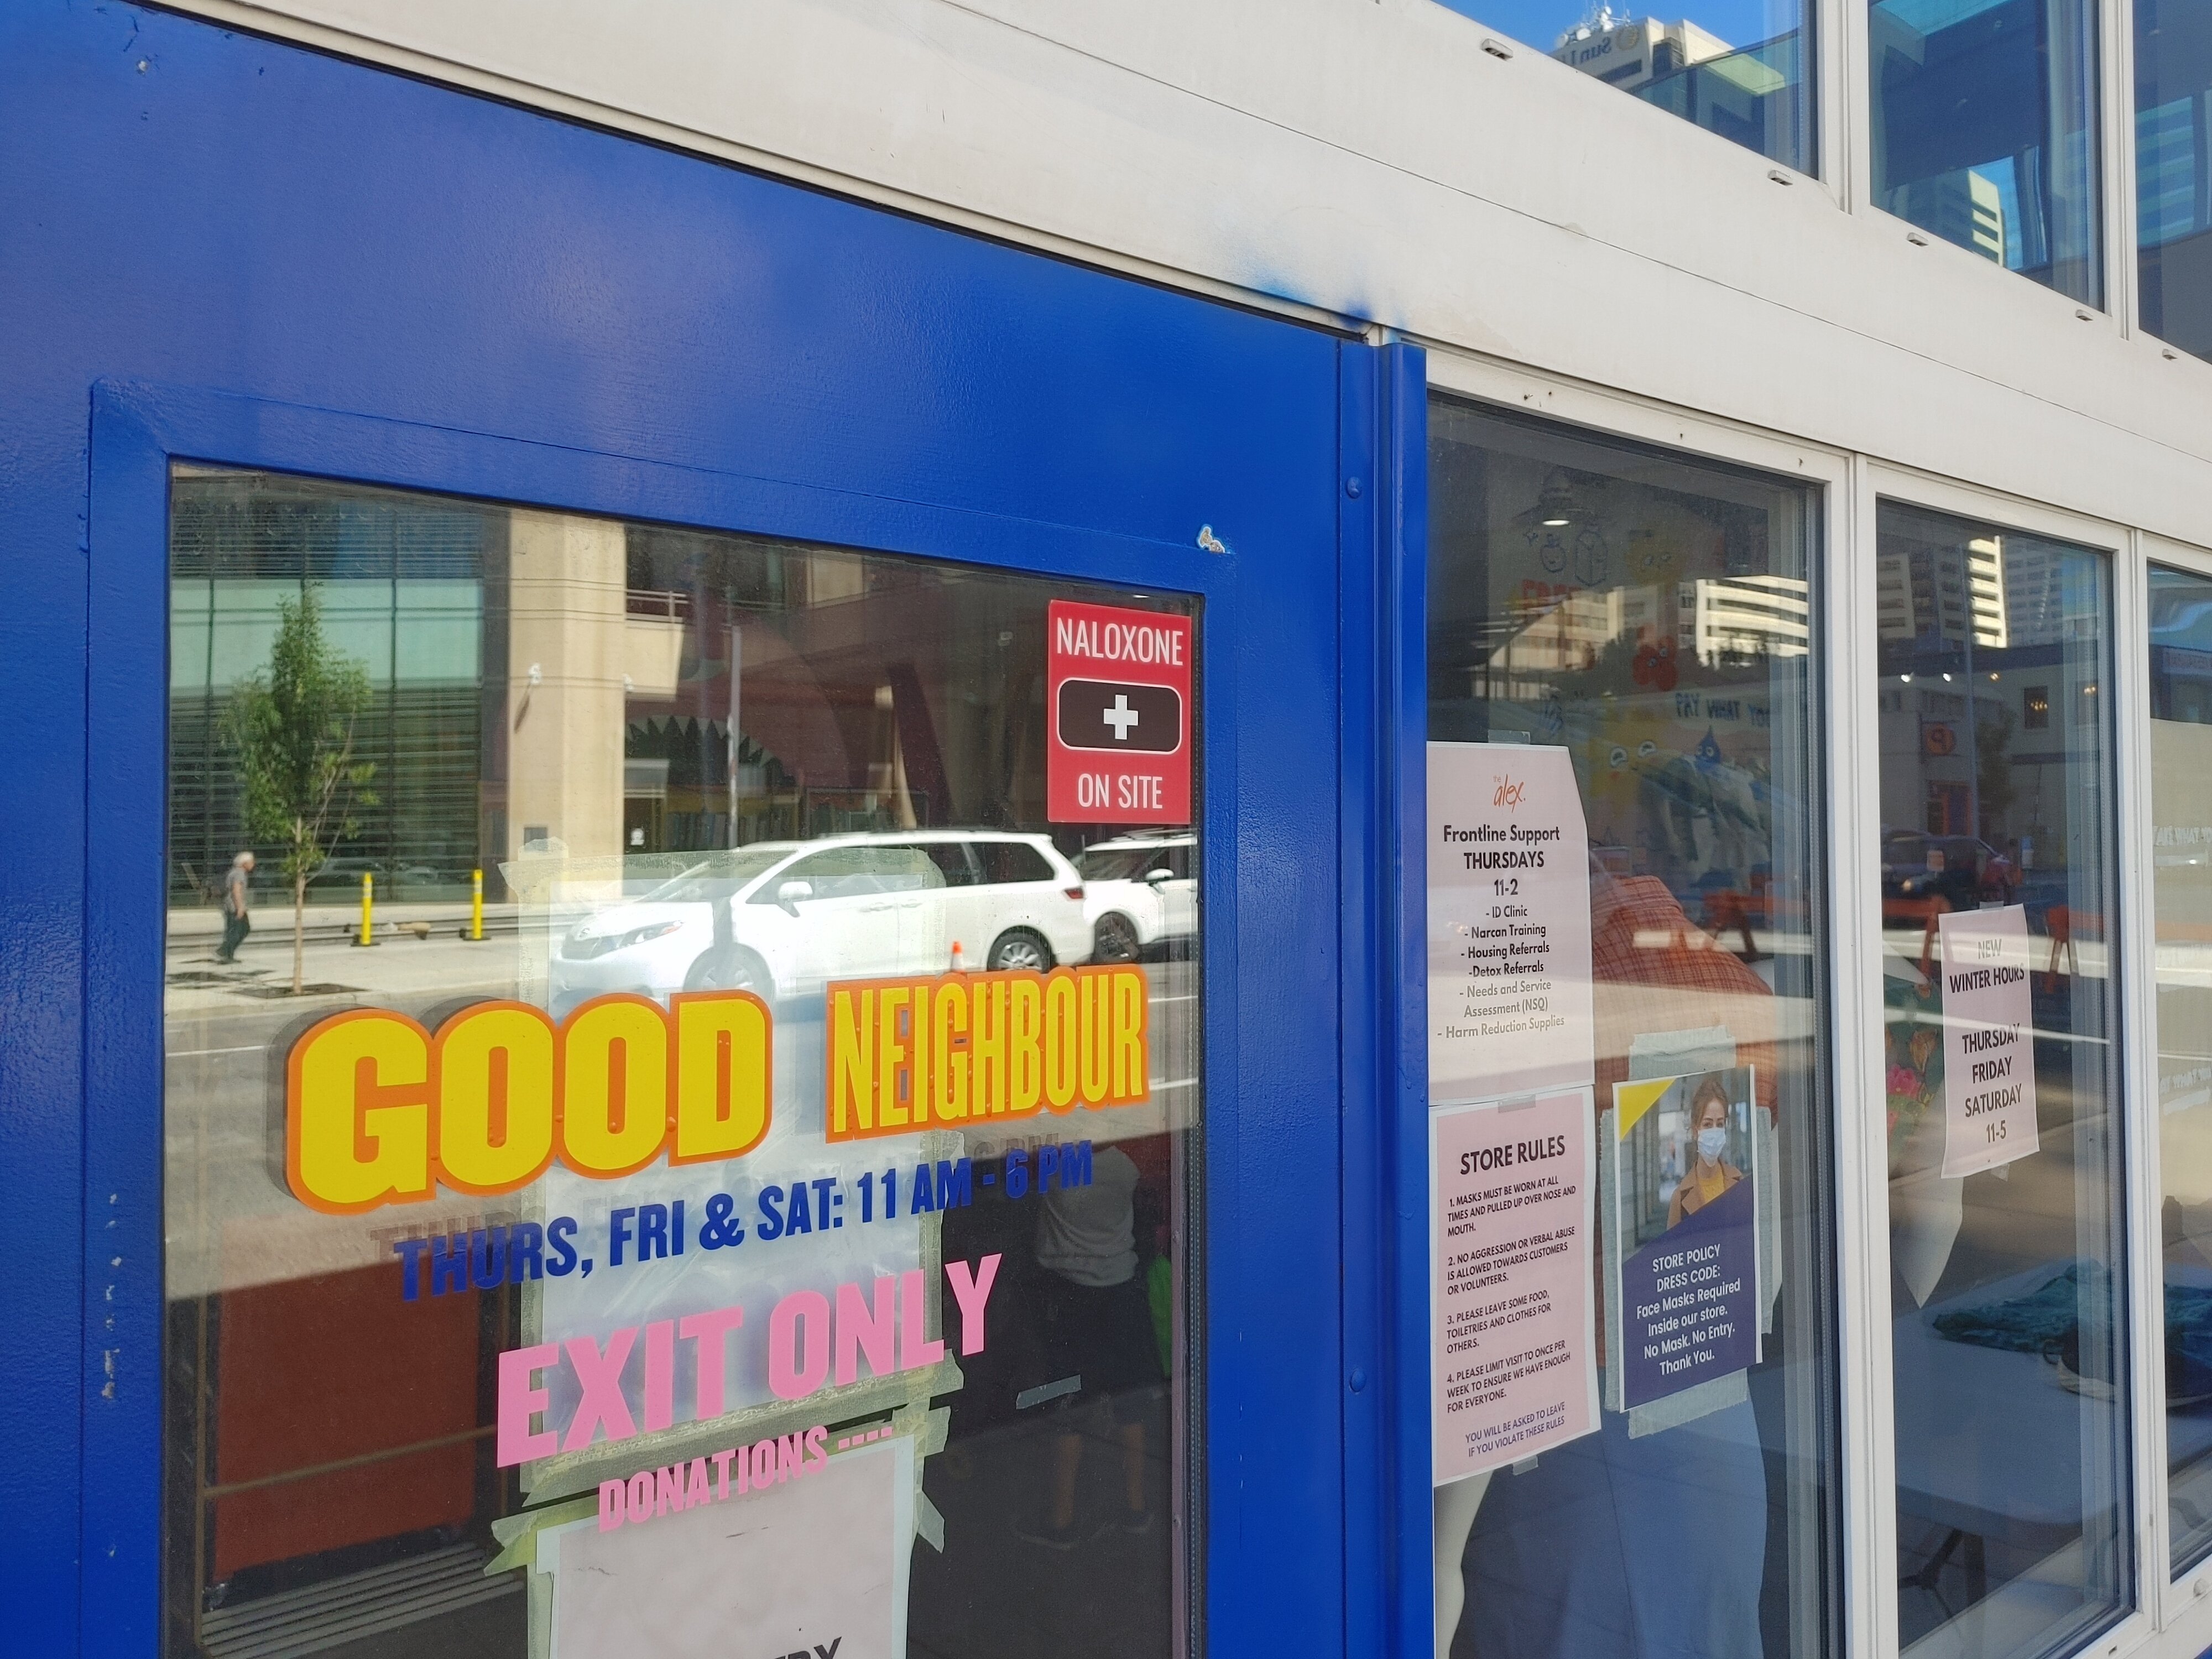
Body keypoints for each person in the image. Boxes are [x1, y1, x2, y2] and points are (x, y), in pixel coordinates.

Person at [1014, 1144, 1163, 1550]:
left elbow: (1015, 1173)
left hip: (1067, 1295)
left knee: (1068, 1404)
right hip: (1121, 1289)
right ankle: (1136, 1507)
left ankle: (1062, 1520)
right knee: (1131, 1401)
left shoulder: (1054, 1158)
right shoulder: (1133, 1156)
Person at [1667, 1076, 1744, 1229]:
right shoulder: (1680, 1198)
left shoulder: (1740, 1183)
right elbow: (1671, 1251)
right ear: (1696, 1130)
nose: (1715, 1131)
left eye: (1720, 1124)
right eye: (1708, 1124)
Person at [216, 850, 254, 963]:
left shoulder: (234, 872)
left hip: (230, 906)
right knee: (242, 930)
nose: (253, 864)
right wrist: (240, 907)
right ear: (244, 863)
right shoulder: (239, 874)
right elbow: (236, 891)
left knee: (235, 931)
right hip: (234, 907)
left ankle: (227, 953)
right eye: (251, 862)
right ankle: (225, 951)